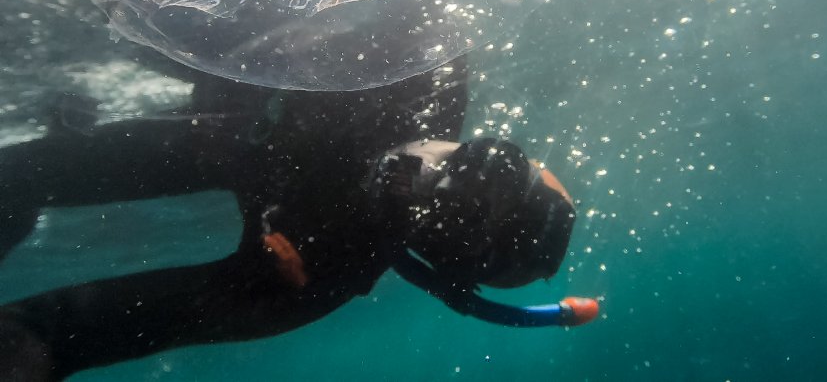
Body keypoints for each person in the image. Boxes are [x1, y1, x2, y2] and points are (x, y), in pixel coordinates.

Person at [0, 56, 597, 380]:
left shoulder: (317, 273)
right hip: (227, 106)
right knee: (17, 178)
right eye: (484, 166)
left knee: (16, 183)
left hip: (232, 145)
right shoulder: (430, 72)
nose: (432, 181)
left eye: (448, 227)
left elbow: (48, 334)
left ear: (431, 258)